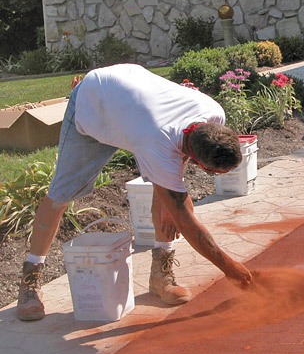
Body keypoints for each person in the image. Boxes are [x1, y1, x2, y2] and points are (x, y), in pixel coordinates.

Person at [17, 64, 253, 321]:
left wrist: (171, 205)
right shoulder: (157, 139)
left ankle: (160, 277)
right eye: (211, 172)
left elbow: (177, 174)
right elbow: (186, 221)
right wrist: (230, 268)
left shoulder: (213, 115)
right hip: (95, 106)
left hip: (133, 107)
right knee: (60, 195)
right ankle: (30, 280)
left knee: (169, 200)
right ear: (199, 161)